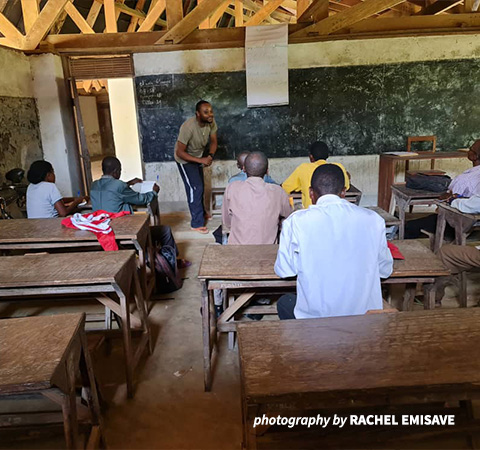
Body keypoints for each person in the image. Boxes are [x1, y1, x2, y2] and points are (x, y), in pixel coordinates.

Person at [275, 164, 393, 320]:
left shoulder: (296, 222)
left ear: (311, 193)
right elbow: (385, 269)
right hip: (365, 322)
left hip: (316, 323)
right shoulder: (373, 220)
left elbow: (285, 270)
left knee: (285, 302)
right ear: (343, 192)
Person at [91, 156, 189, 269]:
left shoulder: (94, 185)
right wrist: (154, 191)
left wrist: (128, 183)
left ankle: (156, 258)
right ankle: (172, 262)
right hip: (123, 233)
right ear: (116, 171)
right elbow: (142, 199)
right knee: (164, 230)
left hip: (102, 233)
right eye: (120, 171)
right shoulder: (119, 186)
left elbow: (111, 189)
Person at [405, 139, 480, 239]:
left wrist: (451, 199)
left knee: (410, 225)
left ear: (475, 156)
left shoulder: (471, 178)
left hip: (458, 221)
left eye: (470, 149)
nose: (468, 151)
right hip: (464, 217)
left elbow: (454, 194)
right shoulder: (474, 174)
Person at [222, 151, 292, 245]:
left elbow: (227, 223)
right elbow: (289, 218)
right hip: (267, 253)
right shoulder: (278, 191)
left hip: (237, 252)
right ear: (267, 171)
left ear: (244, 169)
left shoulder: (232, 188)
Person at [175, 100, 217, 234]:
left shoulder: (211, 122)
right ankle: (196, 223)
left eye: (210, 111)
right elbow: (179, 152)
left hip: (199, 157)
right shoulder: (188, 127)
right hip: (184, 160)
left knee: (200, 186)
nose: (210, 114)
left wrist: (210, 155)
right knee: (195, 188)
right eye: (206, 112)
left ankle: (202, 213)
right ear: (198, 114)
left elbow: (214, 141)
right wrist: (200, 160)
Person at [282, 141, 350, 208]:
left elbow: (285, 188)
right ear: (328, 156)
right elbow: (347, 185)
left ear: (311, 156)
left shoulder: (303, 168)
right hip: (335, 213)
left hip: (310, 214)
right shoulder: (338, 167)